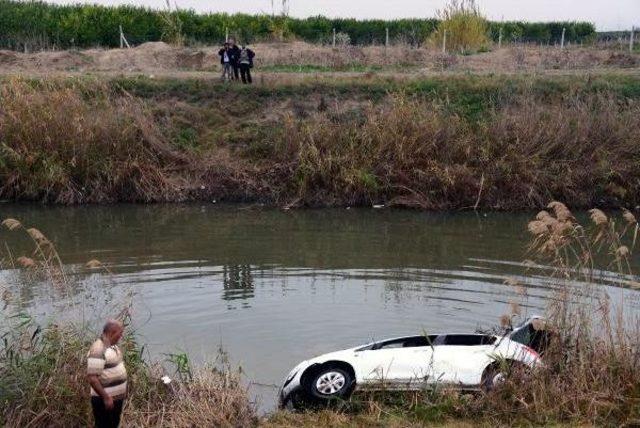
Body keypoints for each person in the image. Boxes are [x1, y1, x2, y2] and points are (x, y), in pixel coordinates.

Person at [87, 319, 127, 428]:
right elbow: (92, 378)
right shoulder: (98, 349)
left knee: (113, 425)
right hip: (104, 400)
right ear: (111, 333)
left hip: (114, 400)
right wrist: (106, 397)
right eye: (120, 333)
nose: (121, 336)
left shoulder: (112, 346)